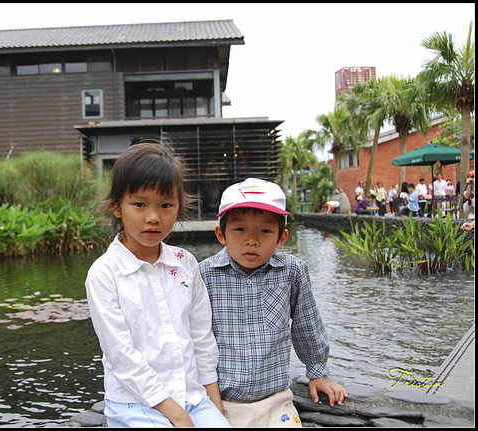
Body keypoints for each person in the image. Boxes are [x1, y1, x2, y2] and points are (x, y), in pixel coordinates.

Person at [84, 141, 231, 428]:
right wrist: (177, 415)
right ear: (117, 207)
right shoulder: (104, 273)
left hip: (192, 397)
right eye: (139, 204)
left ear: (178, 207)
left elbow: (201, 337)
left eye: (166, 205)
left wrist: (215, 406)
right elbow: (121, 356)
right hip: (135, 404)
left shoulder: (186, 263)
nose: (153, 217)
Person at [199, 178, 347, 427]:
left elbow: (306, 323)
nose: (252, 240)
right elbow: (194, 338)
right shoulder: (204, 274)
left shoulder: (292, 271)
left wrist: (317, 372)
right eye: (240, 229)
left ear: (282, 237)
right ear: (221, 234)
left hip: (275, 401)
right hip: (219, 401)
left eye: (265, 231)